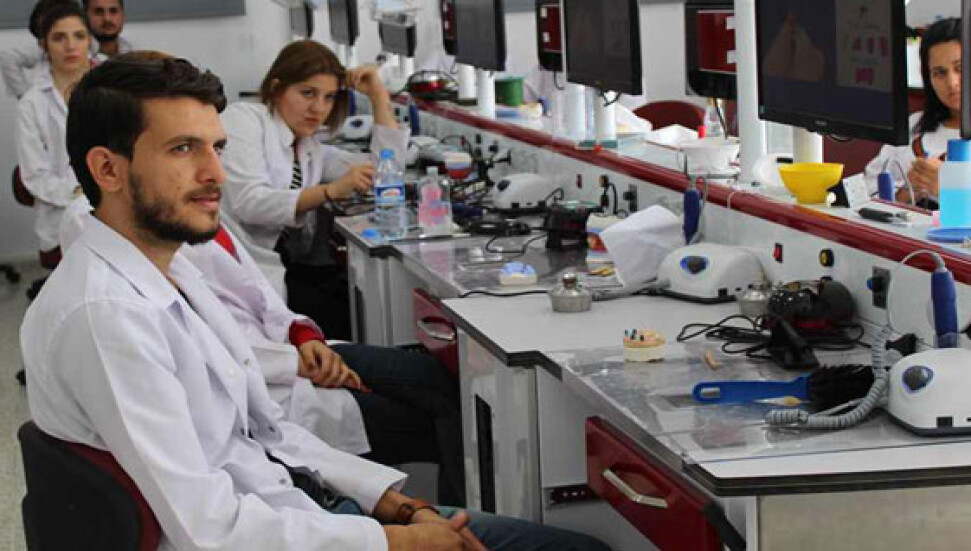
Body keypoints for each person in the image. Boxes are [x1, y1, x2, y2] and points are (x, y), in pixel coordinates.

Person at [24, 54, 609, 551]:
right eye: (183, 149)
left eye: (217, 148)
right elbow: (209, 528)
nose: (215, 173)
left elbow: (265, 433)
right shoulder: (108, 316)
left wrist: (391, 503)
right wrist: (391, 542)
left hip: (298, 508)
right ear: (108, 168)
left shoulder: (168, 270)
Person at [219, 39, 409, 340]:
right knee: (341, 313)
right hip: (232, 272)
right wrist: (329, 191)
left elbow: (385, 168)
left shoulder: (309, 148)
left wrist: (378, 96)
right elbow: (250, 203)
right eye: (307, 93)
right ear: (277, 88)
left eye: (329, 97)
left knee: (345, 307)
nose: (318, 108)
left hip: (276, 268)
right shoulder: (244, 120)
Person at [16, 2, 91, 268]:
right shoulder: (32, 103)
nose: (70, 46)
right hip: (61, 217)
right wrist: (82, 194)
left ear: (89, 40)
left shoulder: (113, 90)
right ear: (43, 45)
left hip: (116, 210)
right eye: (59, 38)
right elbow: (35, 176)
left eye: (79, 36)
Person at [865, 17, 962, 207]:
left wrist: (949, 188)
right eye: (940, 72)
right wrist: (908, 191)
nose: (952, 82)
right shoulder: (913, 127)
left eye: (960, 68)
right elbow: (867, 193)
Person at [0, 0, 132, 99]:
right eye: (98, 12)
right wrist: (23, 95)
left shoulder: (122, 53)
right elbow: (8, 58)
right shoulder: (52, 50)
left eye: (113, 11)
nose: (107, 18)